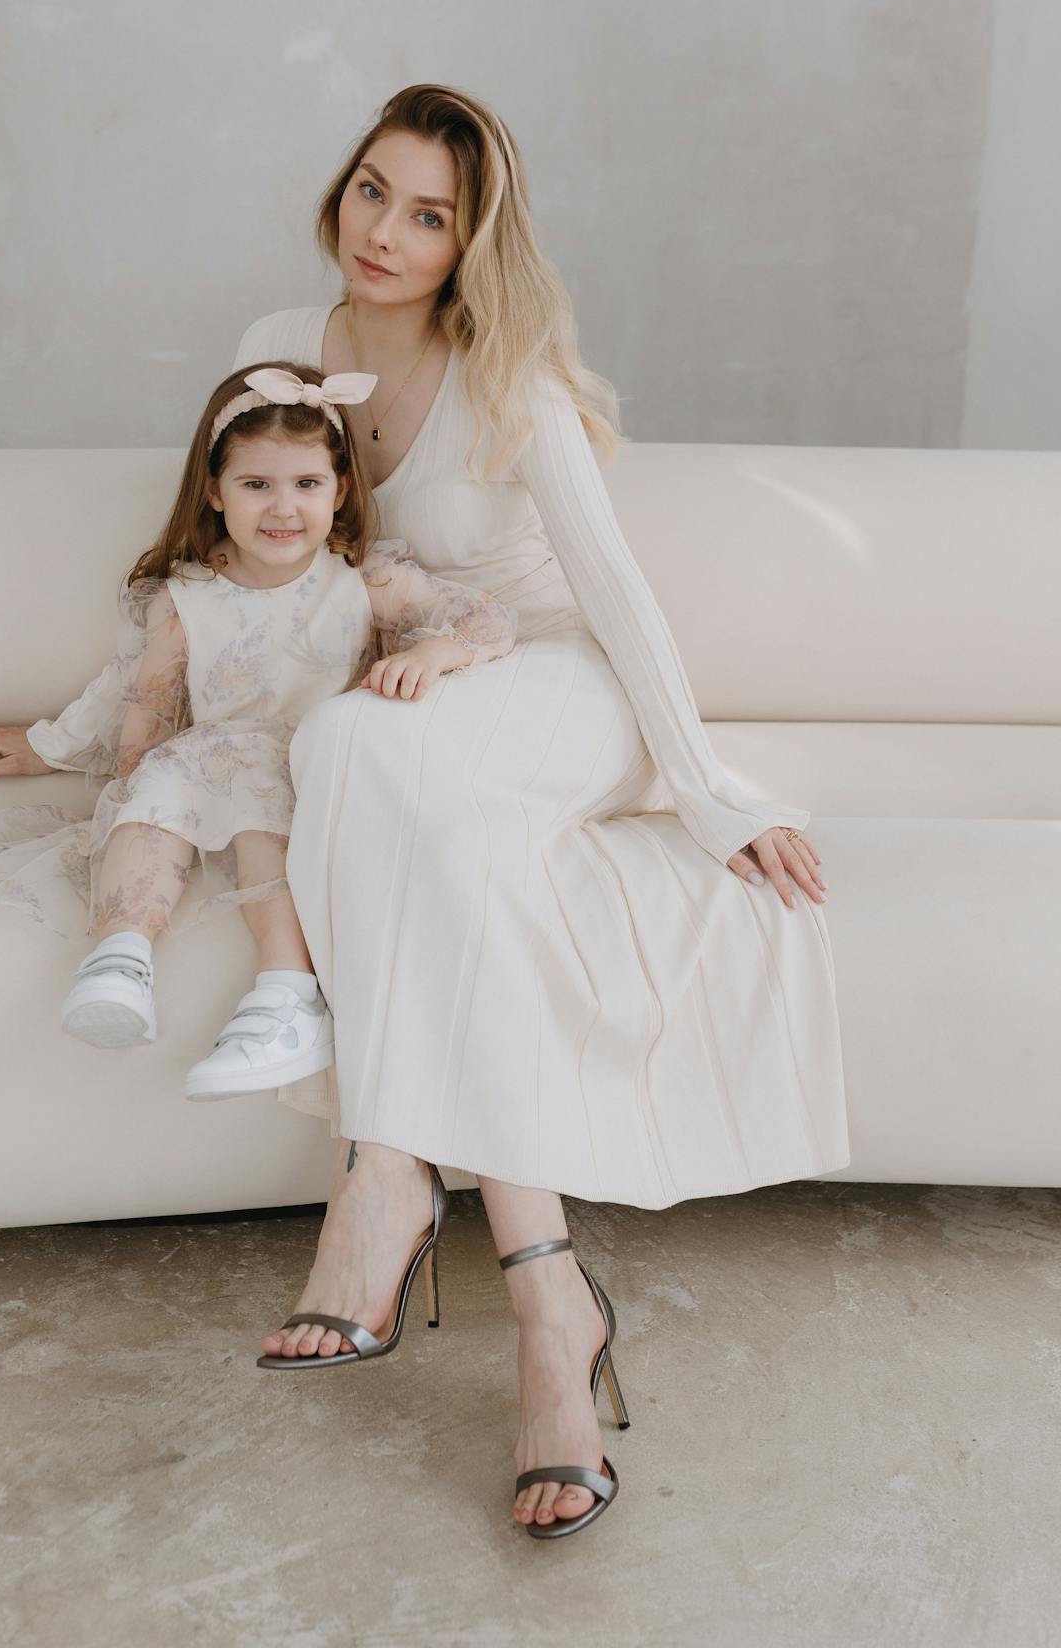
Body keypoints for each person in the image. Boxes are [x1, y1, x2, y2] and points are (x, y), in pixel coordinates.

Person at [235, 83, 850, 1540]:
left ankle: (383, 1177)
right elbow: (242, 553)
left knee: (363, 758)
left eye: (429, 214)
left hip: (558, 686)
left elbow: (618, 601)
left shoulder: (509, 373)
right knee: (372, 773)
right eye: (372, 191)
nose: (386, 232)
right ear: (341, 187)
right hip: (401, 713)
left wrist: (707, 797)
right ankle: (548, 1300)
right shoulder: (272, 351)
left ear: (471, 242)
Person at [0, 360, 515, 1100]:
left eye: (306, 485)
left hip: (316, 775)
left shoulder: (362, 581)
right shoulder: (186, 598)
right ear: (215, 490)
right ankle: (121, 956)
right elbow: (136, 697)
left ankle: (287, 993)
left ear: (340, 492)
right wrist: (69, 758)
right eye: (256, 484)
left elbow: (487, 621)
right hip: (210, 769)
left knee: (256, 774)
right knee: (155, 783)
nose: (283, 508)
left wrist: (435, 651)